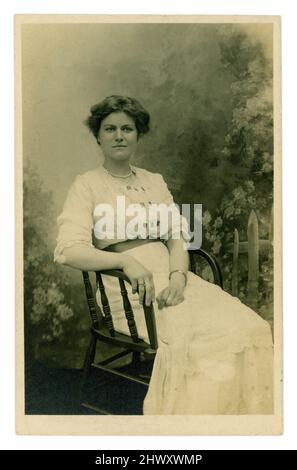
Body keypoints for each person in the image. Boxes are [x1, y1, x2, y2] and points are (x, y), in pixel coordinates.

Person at [54, 95, 274, 415]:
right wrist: (126, 261)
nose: (119, 136)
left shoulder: (153, 182)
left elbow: (176, 238)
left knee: (250, 325)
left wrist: (178, 277)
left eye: (127, 129)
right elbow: (68, 250)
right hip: (126, 287)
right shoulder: (86, 185)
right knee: (201, 343)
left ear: (138, 134)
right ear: (98, 136)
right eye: (110, 128)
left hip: (172, 277)